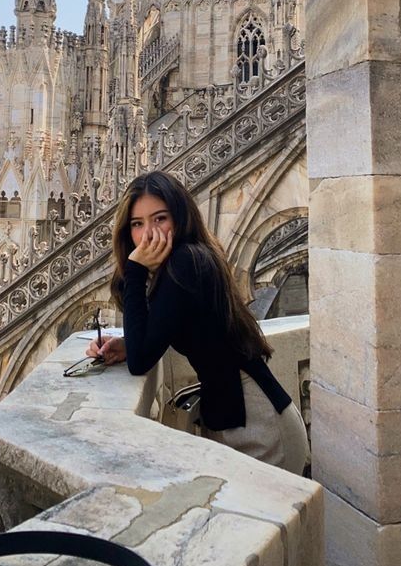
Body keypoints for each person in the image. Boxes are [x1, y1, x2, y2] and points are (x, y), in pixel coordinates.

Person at [86, 171, 308, 474]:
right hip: (236, 416)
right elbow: (163, 333)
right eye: (137, 224)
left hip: (258, 425)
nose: (148, 234)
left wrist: (136, 269)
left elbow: (141, 362)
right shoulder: (190, 259)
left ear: (179, 217)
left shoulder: (187, 261)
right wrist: (127, 344)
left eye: (160, 219)